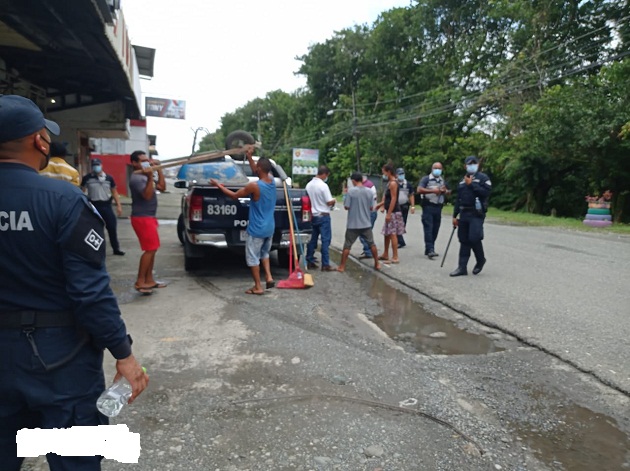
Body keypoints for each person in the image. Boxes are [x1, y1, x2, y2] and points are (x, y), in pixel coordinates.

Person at [0, 94, 148, 471]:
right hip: (60, 361)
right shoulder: (63, 200)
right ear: (39, 141)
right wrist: (123, 354)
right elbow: (90, 293)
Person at [210, 147, 276, 295]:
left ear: (259, 169)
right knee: (264, 253)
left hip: (257, 229)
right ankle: (269, 277)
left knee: (253, 257)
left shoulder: (254, 186)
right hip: (269, 227)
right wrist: (250, 157)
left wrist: (218, 185)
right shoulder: (271, 181)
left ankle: (258, 286)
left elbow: (234, 196)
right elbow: (256, 170)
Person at [129, 150, 167, 294]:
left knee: (153, 248)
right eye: (141, 161)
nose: (145, 163)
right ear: (134, 163)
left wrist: (159, 170)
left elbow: (162, 188)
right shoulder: (137, 178)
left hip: (149, 217)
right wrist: (151, 176)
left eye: (146, 160)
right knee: (149, 250)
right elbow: (147, 195)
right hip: (142, 218)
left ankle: (149, 279)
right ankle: (140, 282)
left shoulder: (144, 176)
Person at [450, 155, 492, 276]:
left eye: (474, 163)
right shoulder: (462, 180)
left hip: (476, 213)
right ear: (465, 166)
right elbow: (458, 199)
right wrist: (454, 215)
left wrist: (472, 184)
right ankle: (462, 267)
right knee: (463, 239)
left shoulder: (483, 178)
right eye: (470, 164)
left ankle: (480, 260)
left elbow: (486, 192)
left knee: (474, 238)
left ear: (478, 165)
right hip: (464, 212)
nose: (472, 166)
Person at [337, 172, 381, 272]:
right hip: (366, 223)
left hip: (353, 224)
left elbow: (346, 206)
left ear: (353, 181)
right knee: (371, 244)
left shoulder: (351, 192)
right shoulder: (369, 192)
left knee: (347, 245)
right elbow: (371, 207)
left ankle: (342, 266)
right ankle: (377, 264)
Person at [81, 158, 125, 256]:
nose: (96, 167)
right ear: (92, 167)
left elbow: (114, 192)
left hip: (106, 205)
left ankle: (116, 249)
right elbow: (82, 192)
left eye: (98, 165)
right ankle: (95, 250)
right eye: (94, 165)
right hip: (93, 206)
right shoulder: (87, 178)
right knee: (94, 229)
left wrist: (119, 205)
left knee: (112, 228)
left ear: (101, 165)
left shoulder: (109, 178)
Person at [305, 165, 336, 271]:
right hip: (323, 216)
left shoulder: (308, 185)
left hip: (312, 216)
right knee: (325, 240)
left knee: (312, 240)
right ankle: (325, 264)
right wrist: (334, 201)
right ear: (324, 174)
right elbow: (328, 201)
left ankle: (309, 260)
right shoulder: (323, 186)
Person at [417, 162, 451, 259]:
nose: (437, 170)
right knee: (428, 228)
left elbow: (449, 191)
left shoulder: (442, 180)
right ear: (432, 169)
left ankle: (429, 248)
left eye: (439, 168)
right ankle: (431, 249)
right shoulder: (426, 179)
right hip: (428, 206)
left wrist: (445, 191)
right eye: (435, 168)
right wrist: (433, 191)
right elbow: (419, 189)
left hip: (438, 207)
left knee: (435, 229)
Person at [376, 163, 405, 264]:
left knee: (392, 234)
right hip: (390, 210)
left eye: (383, 172)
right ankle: (385, 253)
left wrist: (389, 213)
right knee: (387, 233)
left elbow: (393, 199)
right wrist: (380, 205)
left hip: (393, 212)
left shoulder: (393, 183)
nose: (383, 174)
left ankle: (395, 256)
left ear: (388, 172)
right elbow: (387, 199)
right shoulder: (390, 183)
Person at [358, 175, 378, 259]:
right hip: (371, 212)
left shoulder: (366, 186)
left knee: (362, 233)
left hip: (368, 212)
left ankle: (368, 251)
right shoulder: (370, 184)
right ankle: (369, 250)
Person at [395, 167, 415, 248]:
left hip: (404, 206)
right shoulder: (394, 183)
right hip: (396, 206)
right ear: (396, 175)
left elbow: (411, 195)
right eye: (400, 174)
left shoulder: (408, 184)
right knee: (396, 223)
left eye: (402, 174)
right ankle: (400, 241)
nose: (401, 176)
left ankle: (399, 240)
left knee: (402, 224)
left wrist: (413, 206)